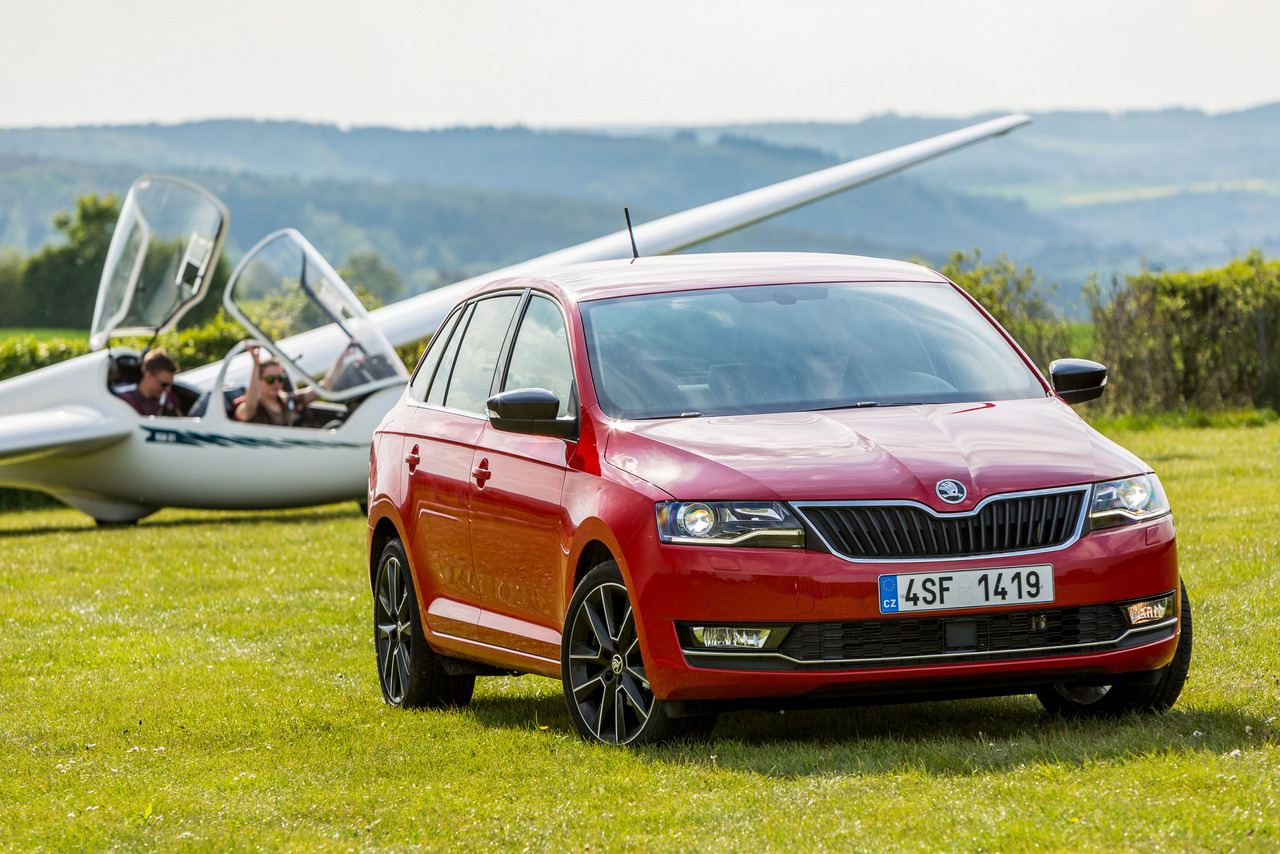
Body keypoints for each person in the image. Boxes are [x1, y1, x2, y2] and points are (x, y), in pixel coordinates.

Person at [233, 342, 356, 427]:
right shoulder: (251, 410)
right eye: (270, 379)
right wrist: (256, 365)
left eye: (280, 378)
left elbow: (325, 385)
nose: (276, 383)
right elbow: (251, 405)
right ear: (257, 381)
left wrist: (342, 357)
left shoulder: (291, 401)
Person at [115, 349, 181, 416]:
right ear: (148, 375)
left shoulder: (169, 398)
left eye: (170, 385)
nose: (168, 389)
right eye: (164, 384)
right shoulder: (127, 401)